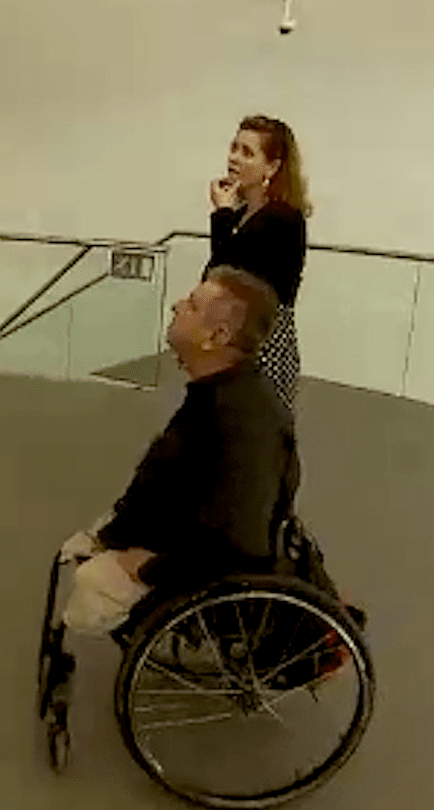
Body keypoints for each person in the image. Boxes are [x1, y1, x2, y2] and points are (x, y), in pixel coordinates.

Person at [57, 266, 296, 637]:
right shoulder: (221, 394)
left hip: (196, 568)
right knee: (81, 550)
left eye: (192, 306)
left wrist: (148, 568)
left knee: (89, 583)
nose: (176, 306)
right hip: (179, 536)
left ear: (217, 336)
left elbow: (234, 545)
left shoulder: (240, 420)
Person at [205, 115, 312, 413]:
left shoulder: (283, 218)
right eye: (234, 148)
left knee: (252, 433)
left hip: (263, 347)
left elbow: (227, 275)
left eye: (247, 153)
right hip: (236, 342)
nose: (234, 158)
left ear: (272, 167)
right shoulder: (243, 215)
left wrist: (221, 214)